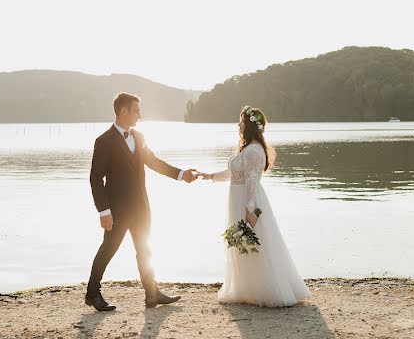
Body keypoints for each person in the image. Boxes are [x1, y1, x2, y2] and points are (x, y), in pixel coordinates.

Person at [86, 92, 200, 311]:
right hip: (116, 211)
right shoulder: (104, 141)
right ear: (123, 111)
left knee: (145, 250)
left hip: (141, 207)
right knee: (108, 250)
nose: (140, 114)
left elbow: (153, 162)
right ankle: (92, 294)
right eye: (136, 110)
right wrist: (103, 211)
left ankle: (152, 294)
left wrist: (181, 174)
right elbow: (95, 178)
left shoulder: (139, 137)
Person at [199, 106, 310, 307]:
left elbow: (251, 182)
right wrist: (210, 176)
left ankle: (265, 290)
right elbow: (234, 173)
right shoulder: (247, 148)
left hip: (246, 201)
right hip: (238, 199)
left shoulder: (253, 151)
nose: (238, 125)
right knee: (243, 244)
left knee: (255, 244)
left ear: (249, 125)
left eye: (241, 121)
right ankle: (247, 288)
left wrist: (249, 210)